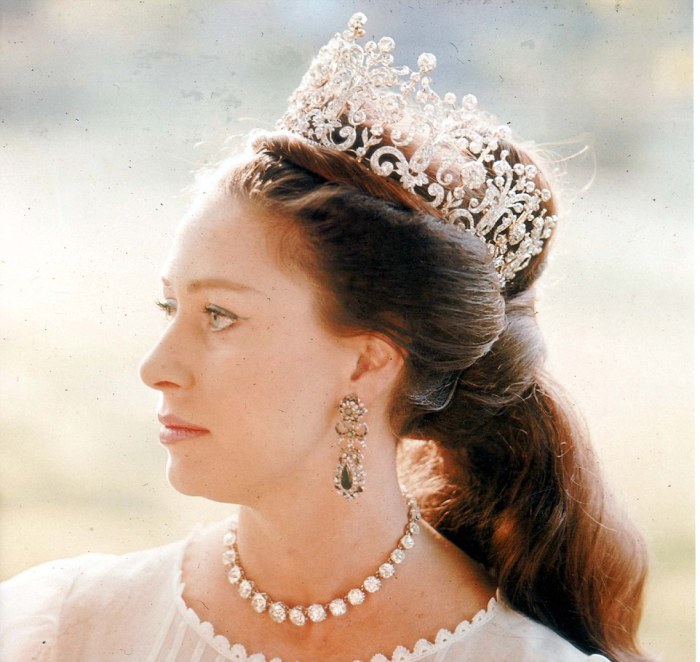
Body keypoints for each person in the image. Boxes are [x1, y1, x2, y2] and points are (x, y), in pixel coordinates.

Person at [0, 13, 650, 662]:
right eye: (170, 307)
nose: (156, 367)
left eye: (219, 315)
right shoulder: (67, 628)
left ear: (368, 359)